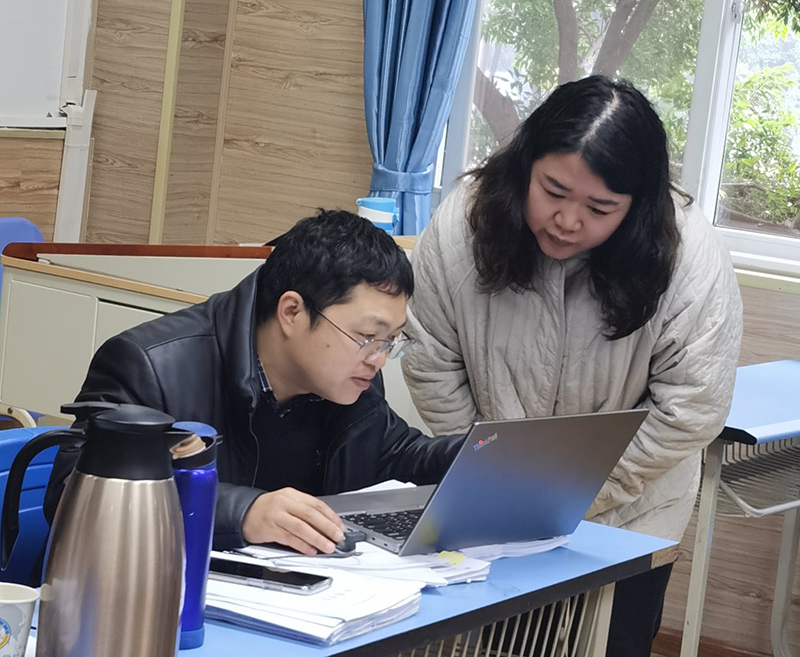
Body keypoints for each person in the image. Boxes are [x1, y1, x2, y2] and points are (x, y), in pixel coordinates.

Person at [401, 75, 743, 657]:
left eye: (599, 208)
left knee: (615, 643)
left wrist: (570, 497)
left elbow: (691, 407)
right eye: (553, 191)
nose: (566, 220)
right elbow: (432, 359)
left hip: (633, 512)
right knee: (501, 646)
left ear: (637, 207)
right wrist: (492, 475)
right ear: (525, 166)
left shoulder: (688, 258)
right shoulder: (465, 225)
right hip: (500, 509)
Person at [44, 209, 464, 556]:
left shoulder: (349, 379)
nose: (379, 358)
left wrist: (480, 454)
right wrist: (243, 512)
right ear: (292, 312)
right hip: (145, 598)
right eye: (367, 336)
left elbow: (400, 455)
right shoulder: (149, 365)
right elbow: (73, 496)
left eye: (390, 341)